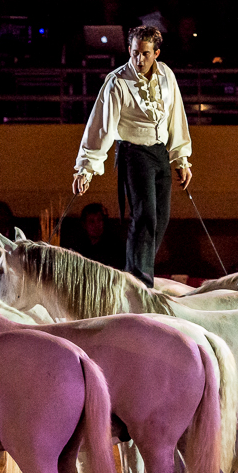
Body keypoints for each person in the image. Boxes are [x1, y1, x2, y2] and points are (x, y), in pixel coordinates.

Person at [73, 25, 193, 287]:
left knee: (162, 216)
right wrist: (86, 169)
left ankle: (143, 271)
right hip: (133, 153)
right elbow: (101, 127)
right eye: (135, 53)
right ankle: (137, 278)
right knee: (145, 214)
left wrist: (180, 159)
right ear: (129, 50)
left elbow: (176, 119)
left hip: (160, 151)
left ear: (156, 53)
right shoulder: (117, 81)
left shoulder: (167, 77)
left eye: (146, 54)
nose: (140, 59)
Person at [60, 202, 125, 269]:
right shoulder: (79, 245)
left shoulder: (114, 245)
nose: (96, 225)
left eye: (99, 220)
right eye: (92, 221)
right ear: (84, 225)